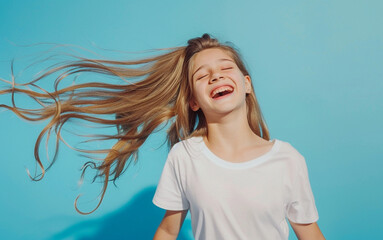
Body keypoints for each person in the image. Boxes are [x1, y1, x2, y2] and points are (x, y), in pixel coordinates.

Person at [1, 33, 325, 239]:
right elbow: (169, 232)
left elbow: (307, 230)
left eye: (226, 68)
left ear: (247, 83)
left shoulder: (287, 159)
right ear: (194, 101)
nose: (216, 75)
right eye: (202, 75)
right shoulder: (185, 157)